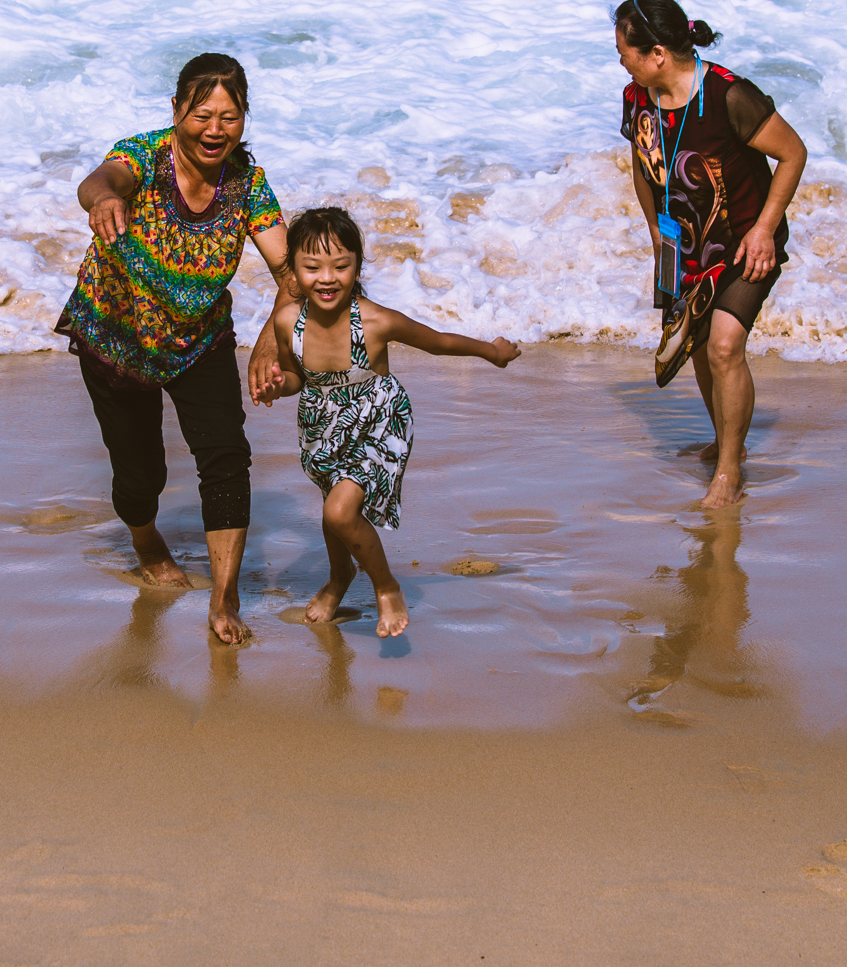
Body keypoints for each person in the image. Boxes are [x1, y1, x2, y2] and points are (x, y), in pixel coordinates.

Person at [55, 53, 288, 644]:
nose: (215, 129)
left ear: (244, 119)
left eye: (229, 116)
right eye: (202, 114)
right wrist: (105, 199)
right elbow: (102, 180)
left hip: (199, 340)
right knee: (141, 476)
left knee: (227, 457)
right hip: (116, 335)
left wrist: (269, 341)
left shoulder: (247, 183)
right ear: (178, 111)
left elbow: (293, 270)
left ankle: (224, 595)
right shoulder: (144, 155)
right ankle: (144, 538)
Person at [258, 206, 521, 636]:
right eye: (312, 267)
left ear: (357, 265)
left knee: (340, 512)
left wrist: (490, 352)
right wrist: (276, 386)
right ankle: (339, 578)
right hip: (323, 429)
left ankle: (387, 587)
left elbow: (437, 342)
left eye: (341, 265)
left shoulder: (375, 321)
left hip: (379, 419)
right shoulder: (289, 322)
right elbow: (295, 378)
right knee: (332, 514)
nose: (327, 278)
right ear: (293, 271)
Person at [614, 0, 807, 508]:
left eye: (625, 53)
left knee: (724, 346)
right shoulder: (639, 97)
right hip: (686, 246)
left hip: (746, 241)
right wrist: (657, 233)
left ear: (657, 53)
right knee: (697, 345)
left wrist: (765, 229)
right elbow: (640, 161)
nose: (621, 62)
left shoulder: (729, 96)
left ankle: (729, 471)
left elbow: (793, 154)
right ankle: (727, 442)